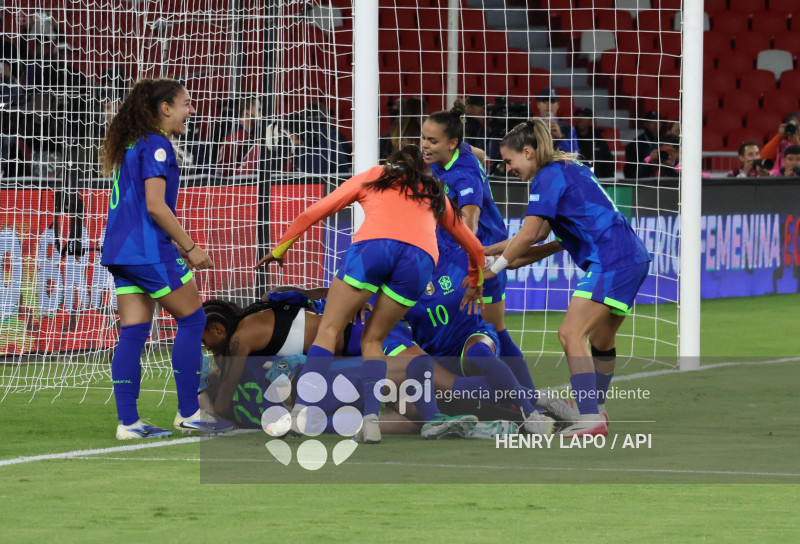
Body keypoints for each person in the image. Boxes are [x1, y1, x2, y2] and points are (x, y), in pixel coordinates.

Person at [255, 144, 485, 444]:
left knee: (329, 328)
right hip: (420, 261)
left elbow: (316, 210)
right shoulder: (433, 192)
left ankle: (303, 412)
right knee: (373, 340)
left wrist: (280, 248)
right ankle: (371, 422)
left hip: (374, 247)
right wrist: (475, 280)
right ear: (422, 170)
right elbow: (475, 246)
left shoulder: (376, 175)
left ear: (391, 164)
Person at [484, 118, 652, 437]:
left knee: (570, 333)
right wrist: (488, 250)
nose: (508, 169)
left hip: (611, 258)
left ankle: (589, 416)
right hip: (630, 255)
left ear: (529, 152)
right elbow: (538, 235)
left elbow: (530, 233)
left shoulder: (547, 177)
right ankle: (597, 408)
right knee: (601, 340)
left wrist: (492, 270)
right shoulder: (564, 169)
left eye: (509, 161)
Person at [99, 78, 233, 439]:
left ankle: (128, 422)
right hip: (146, 251)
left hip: (120, 251)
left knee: (134, 331)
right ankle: (190, 412)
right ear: (165, 108)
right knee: (193, 320)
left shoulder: (132, 143)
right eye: (186, 104)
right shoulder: (157, 145)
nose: (192, 110)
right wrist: (189, 247)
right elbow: (156, 207)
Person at [199, 298, 487, 440]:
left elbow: (222, 397)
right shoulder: (255, 326)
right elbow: (308, 296)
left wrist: (200, 400)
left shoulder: (239, 346)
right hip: (333, 365)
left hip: (361, 338)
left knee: (433, 390)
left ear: (218, 328)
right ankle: (504, 406)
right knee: (418, 384)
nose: (206, 348)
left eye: (205, 341)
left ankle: (511, 401)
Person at [382, 241, 578, 435]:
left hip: (472, 334)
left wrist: (561, 242)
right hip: (437, 355)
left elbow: (511, 259)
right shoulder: (395, 282)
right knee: (408, 408)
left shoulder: (458, 259)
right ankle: (539, 399)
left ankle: (531, 416)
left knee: (479, 353)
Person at [421, 100, 524, 370]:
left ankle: (524, 394)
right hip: (455, 253)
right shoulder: (459, 153)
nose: (424, 145)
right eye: (423, 138)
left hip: (483, 253)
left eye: (432, 141)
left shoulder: (464, 177)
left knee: (494, 328)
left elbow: (470, 226)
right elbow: (477, 152)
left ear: (451, 143)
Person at [216, 95, 261, 177]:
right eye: (259, 110)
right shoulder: (237, 137)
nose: (261, 115)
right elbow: (227, 171)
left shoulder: (239, 134)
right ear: (246, 113)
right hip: (233, 186)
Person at [573, 107, 615, 179]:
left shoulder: (598, 139)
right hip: (576, 178)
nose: (579, 120)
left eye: (583, 118)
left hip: (598, 179)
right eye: (578, 117)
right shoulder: (570, 137)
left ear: (590, 121)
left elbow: (608, 161)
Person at [535, 87, 578, 154]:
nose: (548, 105)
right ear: (538, 104)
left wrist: (560, 137)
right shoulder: (530, 126)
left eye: (552, 101)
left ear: (557, 105)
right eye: (544, 101)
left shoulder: (568, 128)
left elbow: (575, 156)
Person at [623, 110, 660, 179]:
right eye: (652, 121)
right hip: (641, 181)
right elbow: (631, 171)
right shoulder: (634, 145)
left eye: (658, 121)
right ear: (645, 124)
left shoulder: (664, 141)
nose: (656, 124)